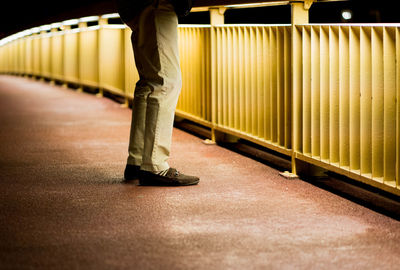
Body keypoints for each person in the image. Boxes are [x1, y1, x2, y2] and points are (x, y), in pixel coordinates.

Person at [116, 0, 199, 186]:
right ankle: (154, 165)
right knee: (166, 82)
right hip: (157, 1)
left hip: (137, 4)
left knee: (148, 84)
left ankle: (137, 161)